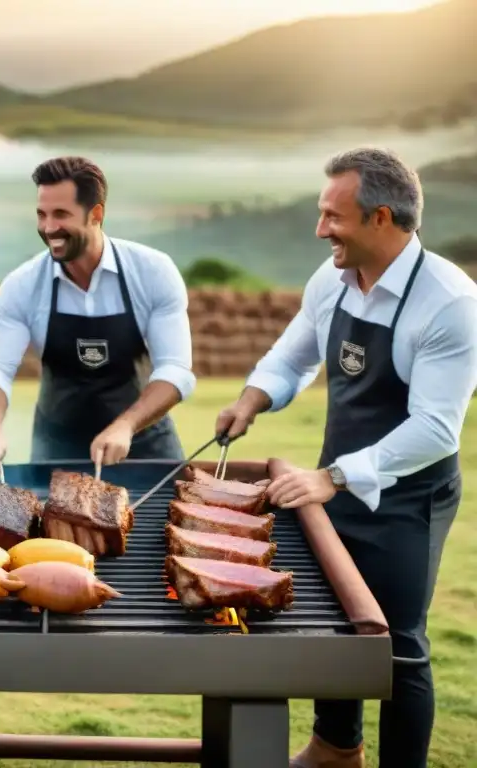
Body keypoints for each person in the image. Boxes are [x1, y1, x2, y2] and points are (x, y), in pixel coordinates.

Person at [215, 147, 477, 768]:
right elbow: (292, 356)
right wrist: (251, 400)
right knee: (335, 624)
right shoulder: (330, 279)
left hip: (409, 496)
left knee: (397, 643)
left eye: (333, 216)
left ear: (381, 218)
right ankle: (336, 749)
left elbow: (437, 430)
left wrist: (332, 477)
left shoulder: (449, 302)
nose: (320, 229)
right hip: (331, 481)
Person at [0, 156, 195, 471]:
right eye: (41, 214)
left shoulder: (152, 271)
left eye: (61, 214)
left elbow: (175, 370)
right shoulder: (22, 285)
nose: (49, 228)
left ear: (96, 214)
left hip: (145, 444)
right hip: (56, 451)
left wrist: (126, 425)